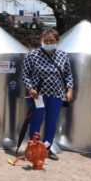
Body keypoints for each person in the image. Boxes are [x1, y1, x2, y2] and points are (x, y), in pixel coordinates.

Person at [21, 28, 74, 160]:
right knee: (36, 121)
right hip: (38, 95)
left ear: (57, 41)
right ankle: (32, 149)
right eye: (46, 41)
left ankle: (46, 149)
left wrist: (69, 90)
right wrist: (30, 88)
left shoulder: (63, 55)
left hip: (56, 94)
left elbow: (68, 75)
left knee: (52, 122)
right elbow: (25, 74)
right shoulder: (32, 55)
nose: (48, 43)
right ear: (41, 40)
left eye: (51, 41)